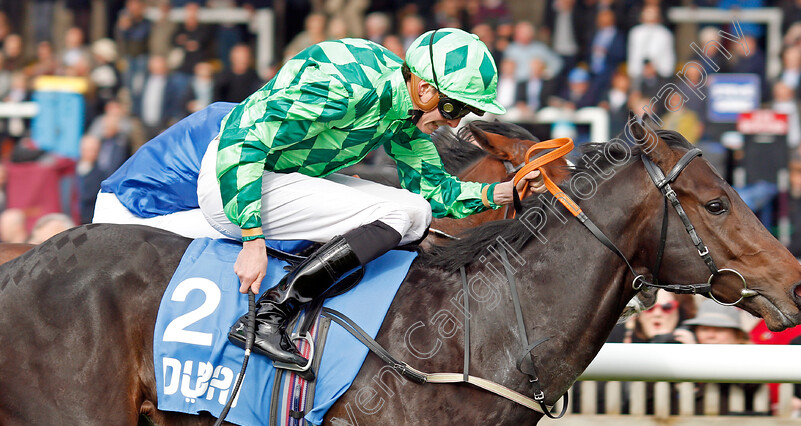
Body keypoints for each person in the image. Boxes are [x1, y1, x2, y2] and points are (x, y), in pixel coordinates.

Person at [93, 28, 544, 366]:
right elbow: (245, 141)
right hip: (234, 178)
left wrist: (499, 191)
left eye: (467, 111)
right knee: (402, 210)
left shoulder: (405, 111)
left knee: (415, 209)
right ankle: (269, 315)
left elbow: (432, 189)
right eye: (455, 107)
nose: (456, 121)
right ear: (426, 89)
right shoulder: (350, 85)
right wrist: (252, 237)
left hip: (275, 180)